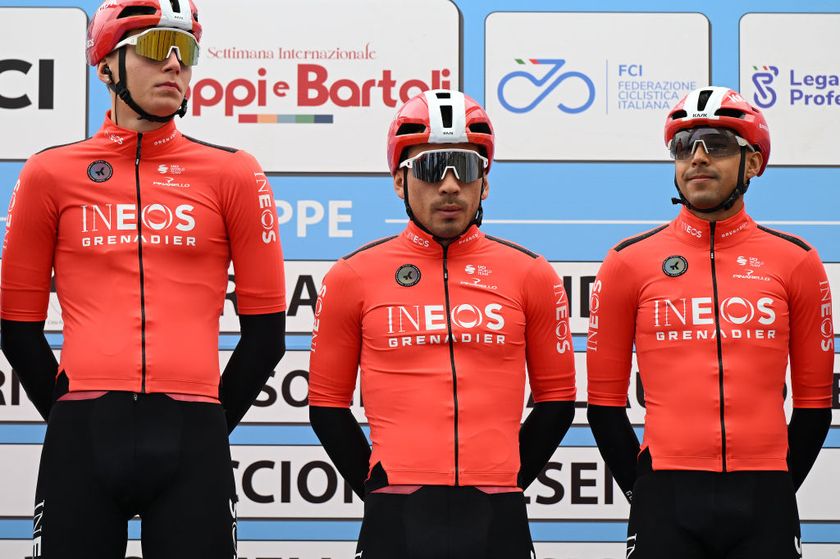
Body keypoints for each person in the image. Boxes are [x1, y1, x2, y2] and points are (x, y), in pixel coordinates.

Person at [0, 1, 286, 557]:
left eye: (188, 51)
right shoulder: (48, 173)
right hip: (82, 434)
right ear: (106, 64)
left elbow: (266, 337)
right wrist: (71, 417)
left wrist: (206, 424)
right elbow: (17, 331)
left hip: (194, 431)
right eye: (157, 48)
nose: (176, 65)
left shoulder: (233, 173)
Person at [307, 89, 576, 558]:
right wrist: (378, 484)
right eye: (431, 169)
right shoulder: (353, 276)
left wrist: (506, 477)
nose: (449, 186)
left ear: (484, 184)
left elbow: (557, 402)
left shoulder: (531, 273)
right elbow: (326, 406)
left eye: (466, 169)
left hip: (498, 511)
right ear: (399, 181)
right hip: (396, 512)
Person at [586, 86, 833, 559]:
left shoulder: (797, 261)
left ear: (754, 163)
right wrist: (647, 492)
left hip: (765, 496)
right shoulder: (628, 262)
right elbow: (603, 407)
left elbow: (816, 405)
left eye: (716, 145)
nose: (697, 158)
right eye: (684, 146)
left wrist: (777, 485)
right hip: (666, 497)